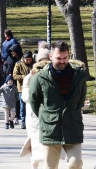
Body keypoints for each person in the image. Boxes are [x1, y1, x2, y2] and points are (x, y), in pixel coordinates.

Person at [28, 41, 86, 169]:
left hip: (73, 127)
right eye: (58, 58)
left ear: (69, 56)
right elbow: (34, 101)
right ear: (50, 57)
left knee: (75, 164)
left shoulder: (78, 76)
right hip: (51, 129)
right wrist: (47, 116)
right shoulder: (40, 78)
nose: (62, 61)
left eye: (65, 58)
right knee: (50, 167)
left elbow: (81, 98)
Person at [13, 49, 34, 129]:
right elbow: (15, 75)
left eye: (30, 59)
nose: (28, 61)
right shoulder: (18, 64)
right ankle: (23, 121)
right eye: (27, 59)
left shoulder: (34, 65)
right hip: (22, 88)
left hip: (32, 88)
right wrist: (24, 77)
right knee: (22, 106)